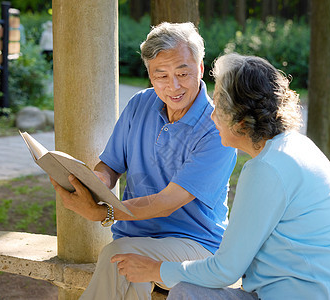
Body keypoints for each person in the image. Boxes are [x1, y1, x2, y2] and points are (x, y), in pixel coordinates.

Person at [111, 53, 330, 300]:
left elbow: (225, 270)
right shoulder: (296, 146)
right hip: (315, 291)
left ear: (241, 119)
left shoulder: (266, 168)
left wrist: (154, 268)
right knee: (187, 292)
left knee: (187, 294)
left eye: (218, 106)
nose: (211, 115)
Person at [51, 22, 237, 299]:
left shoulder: (216, 129)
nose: (173, 86)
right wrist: (98, 181)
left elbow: (165, 203)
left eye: (183, 73)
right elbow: (111, 164)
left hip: (197, 246)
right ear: (149, 75)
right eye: (160, 75)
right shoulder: (140, 103)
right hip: (134, 238)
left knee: (120, 257)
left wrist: (103, 213)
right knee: (124, 259)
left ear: (200, 68)